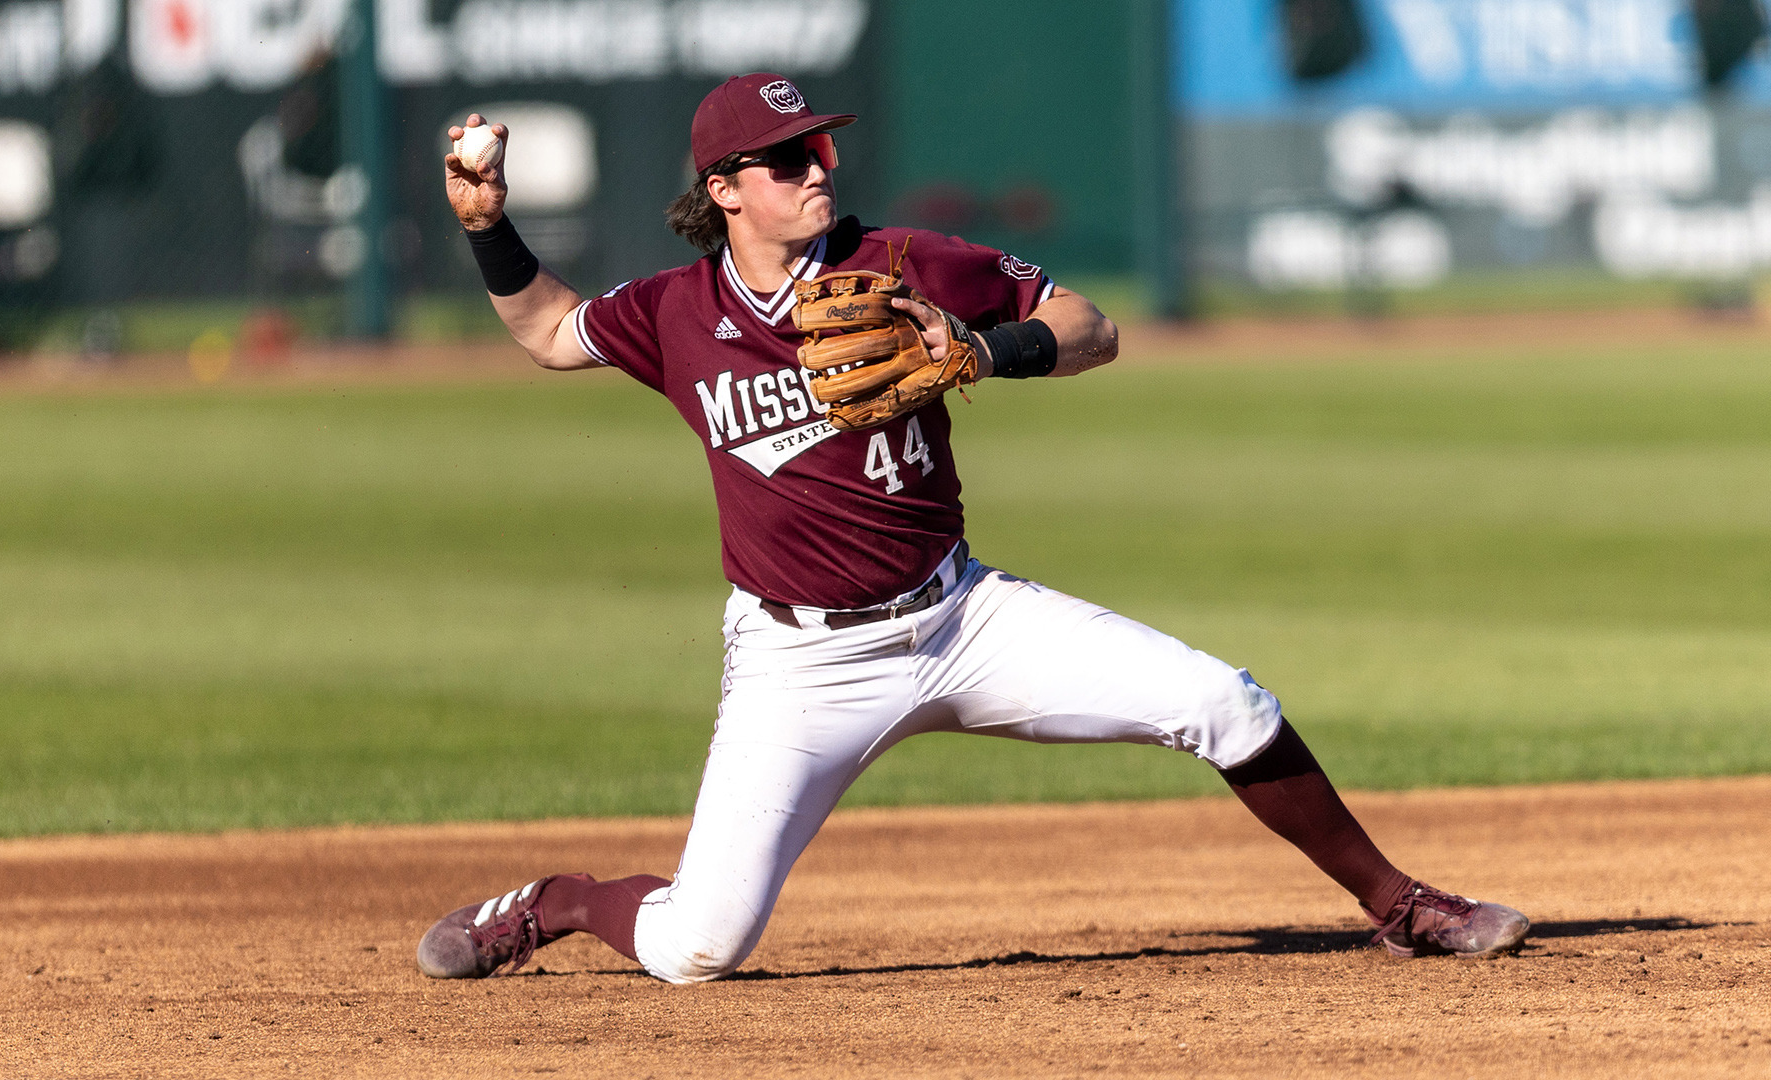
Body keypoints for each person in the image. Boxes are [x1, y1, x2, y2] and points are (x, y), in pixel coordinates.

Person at [417, 74, 1529, 984]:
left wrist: (987, 348)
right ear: (726, 189)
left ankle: (1400, 906)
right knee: (694, 949)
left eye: (823, 148)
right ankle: (555, 903)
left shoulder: (900, 265)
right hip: (800, 664)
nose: (821, 169)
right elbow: (553, 332)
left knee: (1223, 702)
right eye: (790, 157)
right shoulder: (674, 311)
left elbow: (1089, 326)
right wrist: (488, 229)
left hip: (961, 617)